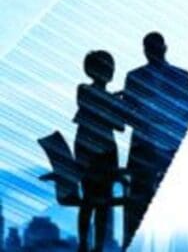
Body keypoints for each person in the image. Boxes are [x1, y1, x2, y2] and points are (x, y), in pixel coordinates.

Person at [122, 32, 188, 246]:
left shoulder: (137, 77)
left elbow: (127, 112)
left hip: (157, 145)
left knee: (146, 201)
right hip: (162, 145)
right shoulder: (176, 76)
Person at [73, 50, 127, 252]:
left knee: (97, 202)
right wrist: (115, 102)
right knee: (95, 201)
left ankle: (92, 246)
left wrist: (115, 101)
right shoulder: (84, 90)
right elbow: (115, 122)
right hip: (96, 151)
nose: (110, 71)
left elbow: (118, 125)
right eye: (107, 67)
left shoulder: (89, 92)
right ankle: (87, 246)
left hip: (95, 151)